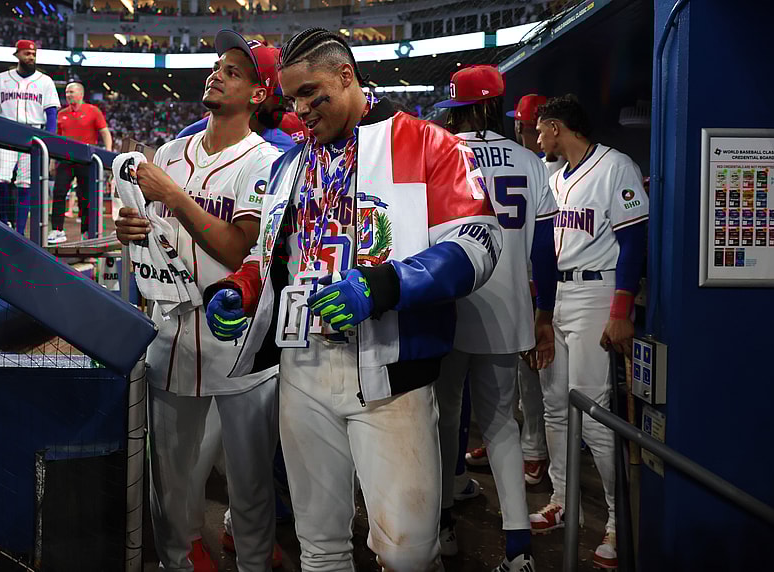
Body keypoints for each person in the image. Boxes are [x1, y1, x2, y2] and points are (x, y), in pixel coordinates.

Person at [203, 27, 501, 571]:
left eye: (312, 93)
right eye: (292, 98)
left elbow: (478, 242)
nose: (302, 110)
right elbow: (275, 254)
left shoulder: (429, 143)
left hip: (391, 371)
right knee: (319, 544)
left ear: (347, 76)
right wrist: (239, 290)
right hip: (302, 367)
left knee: (409, 550)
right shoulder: (289, 163)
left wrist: (385, 285)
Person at [114, 30, 282, 572]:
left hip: (238, 337)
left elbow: (237, 248)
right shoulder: (169, 153)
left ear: (259, 94)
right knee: (174, 477)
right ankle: (179, 562)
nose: (217, 74)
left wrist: (172, 197)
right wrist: (134, 228)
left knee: (250, 480)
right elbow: (156, 233)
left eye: (235, 71)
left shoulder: (266, 161)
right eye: (218, 65)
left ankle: (254, 562)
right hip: (169, 331)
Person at [431, 65, 558, 572]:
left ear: (460, 107)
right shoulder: (530, 159)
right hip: (508, 309)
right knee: (503, 424)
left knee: (443, 420)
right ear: (492, 106)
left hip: (451, 306)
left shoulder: (440, 154)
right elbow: (546, 250)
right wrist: (543, 313)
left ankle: (442, 527)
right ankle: (519, 547)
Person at [527, 94, 648, 570]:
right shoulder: (554, 179)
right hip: (557, 298)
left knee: (594, 412)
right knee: (555, 407)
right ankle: (562, 499)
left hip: (597, 294)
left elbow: (635, 239)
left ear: (557, 128)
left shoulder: (615, 166)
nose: (538, 138)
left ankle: (619, 522)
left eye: (541, 130)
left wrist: (621, 308)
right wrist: (541, 311)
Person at [0, 39, 60, 234]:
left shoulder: (45, 81)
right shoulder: (1, 79)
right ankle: (4, 220)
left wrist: (48, 138)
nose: (31, 57)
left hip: (33, 134)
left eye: (33, 54)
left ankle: (19, 231)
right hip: (6, 132)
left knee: (25, 184)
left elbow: (52, 114)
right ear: (17, 54)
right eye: (27, 54)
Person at [177, 41, 296, 153]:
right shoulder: (186, 139)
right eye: (215, 68)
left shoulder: (279, 149)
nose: (216, 76)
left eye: (232, 73)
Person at [47, 81, 112, 244]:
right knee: (59, 192)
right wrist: (53, 160)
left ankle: (86, 232)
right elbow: (58, 139)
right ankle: (57, 230)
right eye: (67, 92)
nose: (68, 95)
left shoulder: (93, 111)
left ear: (81, 94)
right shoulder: (61, 114)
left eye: (72, 92)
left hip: (86, 160)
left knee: (85, 196)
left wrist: (108, 153)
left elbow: (105, 132)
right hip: (66, 159)